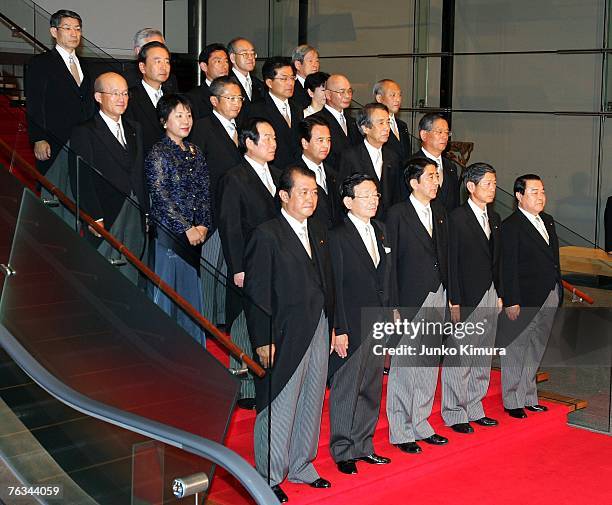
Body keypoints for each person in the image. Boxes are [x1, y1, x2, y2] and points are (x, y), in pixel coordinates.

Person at [243, 165, 334, 503]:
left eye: (314, 192)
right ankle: (268, 474)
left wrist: (335, 324)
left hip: (320, 324)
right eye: (303, 192)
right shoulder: (267, 234)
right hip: (282, 331)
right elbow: (257, 292)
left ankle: (301, 464)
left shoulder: (320, 230)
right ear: (284, 196)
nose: (310, 198)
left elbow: (328, 283)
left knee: (312, 398)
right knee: (279, 401)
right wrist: (262, 338)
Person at [328, 173, 393, 475]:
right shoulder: (338, 236)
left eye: (376, 195)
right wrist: (339, 328)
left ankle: (363, 445)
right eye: (366, 195)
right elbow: (336, 287)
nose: (373, 200)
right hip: (352, 322)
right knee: (346, 389)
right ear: (348, 201)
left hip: (378, 319)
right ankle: (343, 451)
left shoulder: (380, 229)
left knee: (370, 386)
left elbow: (388, 277)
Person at [385, 157, 450, 454]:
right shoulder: (397, 214)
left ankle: (421, 422)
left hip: (438, 293)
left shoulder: (439, 211)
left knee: (427, 363)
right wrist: (394, 304)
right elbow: (390, 263)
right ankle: (401, 430)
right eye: (431, 176)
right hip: (410, 297)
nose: (436, 181)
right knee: (405, 365)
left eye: (437, 176)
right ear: (414, 182)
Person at [217, 118, 282, 409]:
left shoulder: (278, 175)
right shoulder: (235, 177)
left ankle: (269, 376)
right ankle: (244, 388)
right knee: (244, 321)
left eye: (274, 139)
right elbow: (230, 226)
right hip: (247, 262)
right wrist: (237, 268)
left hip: (275, 261)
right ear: (249, 142)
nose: (272, 144)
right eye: (266, 138)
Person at [69, 72, 148, 285]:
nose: (121, 98)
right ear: (98, 97)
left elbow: (139, 171)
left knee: (132, 269)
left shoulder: (135, 129)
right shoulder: (85, 131)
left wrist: (146, 209)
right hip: (106, 212)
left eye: (124, 93)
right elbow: (81, 177)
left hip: (135, 208)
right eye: (114, 93)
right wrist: (93, 216)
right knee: (103, 272)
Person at [145, 94, 210, 345]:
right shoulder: (158, 152)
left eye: (189, 115)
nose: (186, 120)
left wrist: (203, 223)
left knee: (191, 296)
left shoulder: (195, 151)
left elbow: (205, 191)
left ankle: (192, 348)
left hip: (196, 234)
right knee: (167, 295)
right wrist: (186, 228)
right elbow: (160, 195)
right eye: (179, 115)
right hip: (169, 237)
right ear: (164, 121)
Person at [442, 162, 502, 433]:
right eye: (487, 183)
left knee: (482, 354)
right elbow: (451, 262)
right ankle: (455, 413)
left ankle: (475, 407)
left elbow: (498, 260)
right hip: (466, 294)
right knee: (461, 355)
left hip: (490, 292)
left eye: (494, 183)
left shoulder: (495, 217)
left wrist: (501, 293)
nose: (492, 189)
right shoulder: (456, 218)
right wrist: (454, 299)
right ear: (471, 186)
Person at [499, 174, 562, 419]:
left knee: (537, 347)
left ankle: (528, 395)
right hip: (523, 297)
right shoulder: (511, 225)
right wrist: (511, 299)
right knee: (517, 347)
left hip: (549, 293)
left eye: (543, 191)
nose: (541, 197)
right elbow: (508, 266)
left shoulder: (548, 221)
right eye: (534, 192)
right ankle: (512, 399)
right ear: (519, 196)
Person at [189, 76, 244, 327]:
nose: (236, 103)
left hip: (238, 210)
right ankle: (209, 321)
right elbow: (195, 173)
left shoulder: (243, 128)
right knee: (212, 267)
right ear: (214, 100)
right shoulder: (202, 127)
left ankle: (224, 318)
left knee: (231, 267)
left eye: (239, 98)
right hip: (212, 209)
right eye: (230, 98)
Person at [25, 9, 95, 175]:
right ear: (54, 32)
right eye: (68, 28)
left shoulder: (85, 65)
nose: (74, 33)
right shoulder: (41, 63)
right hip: (54, 140)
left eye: (77, 29)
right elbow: (35, 103)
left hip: (84, 141)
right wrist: (39, 138)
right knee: (54, 189)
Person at [338, 103, 404, 221]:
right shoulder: (351, 157)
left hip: (387, 224)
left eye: (388, 122)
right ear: (365, 128)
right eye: (381, 123)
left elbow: (397, 195)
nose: (386, 128)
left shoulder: (393, 157)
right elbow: (343, 194)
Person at [249, 57, 303, 170]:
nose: (290, 83)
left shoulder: (297, 108)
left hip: (296, 171)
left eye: (292, 78)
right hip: (272, 171)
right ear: (269, 82)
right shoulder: (257, 109)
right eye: (284, 79)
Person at [123, 41, 171, 156]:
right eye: (158, 61)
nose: (164, 67)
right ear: (142, 67)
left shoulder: (173, 97)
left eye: (167, 62)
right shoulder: (130, 98)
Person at [294, 116, 339, 228]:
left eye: (328, 140)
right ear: (305, 143)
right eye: (320, 140)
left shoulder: (333, 173)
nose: (326, 145)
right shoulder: (293, 174)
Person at [312, 74, 362, 170]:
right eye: (342, 92)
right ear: (328, 94)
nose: (347, 96)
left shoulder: (353, 122)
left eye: (349, 91)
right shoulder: (316, 120)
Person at [413, 113, 460, 212]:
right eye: (439, 132)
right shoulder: (412, 164)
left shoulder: (451, 167)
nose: (444, 137)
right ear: (424, 135)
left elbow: (455, 204)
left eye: (447, 133)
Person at [187, 43, 230, 120]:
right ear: (204, 66)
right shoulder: (193, 98)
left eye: (226, 61)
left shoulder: (235, 92)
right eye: (218, 61)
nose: (225, 66)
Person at [374, 79, 412, 163]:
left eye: (399, 95)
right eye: (393, 95)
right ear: (379, 98)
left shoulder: (402, 126)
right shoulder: (373, 126)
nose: (398, 99)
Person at [227, 37, 265, 121]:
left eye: (252, 53)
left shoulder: (259, 84)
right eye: (245, 54)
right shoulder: (226, 83)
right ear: (232, 57)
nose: (250, 57)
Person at [291, 44, 320, 110]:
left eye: (317, 61)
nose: (315, 65)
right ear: (298, 65)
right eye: (310, 61)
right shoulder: (291, 87)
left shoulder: (322, 85)